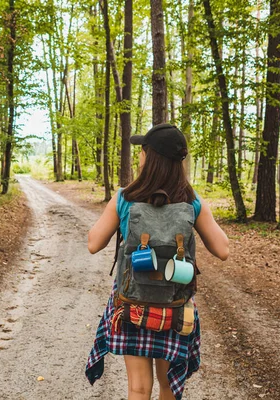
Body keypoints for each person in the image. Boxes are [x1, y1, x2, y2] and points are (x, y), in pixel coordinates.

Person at [85, 123, 229, 400]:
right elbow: (222, 249)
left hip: (132, 303)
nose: (139, 155)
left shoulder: (125, 198)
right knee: (168, 387)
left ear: (150, 158)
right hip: (174, 306)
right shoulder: (191, 200)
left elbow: (93, 244)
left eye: (143, 150)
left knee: (138, 388)